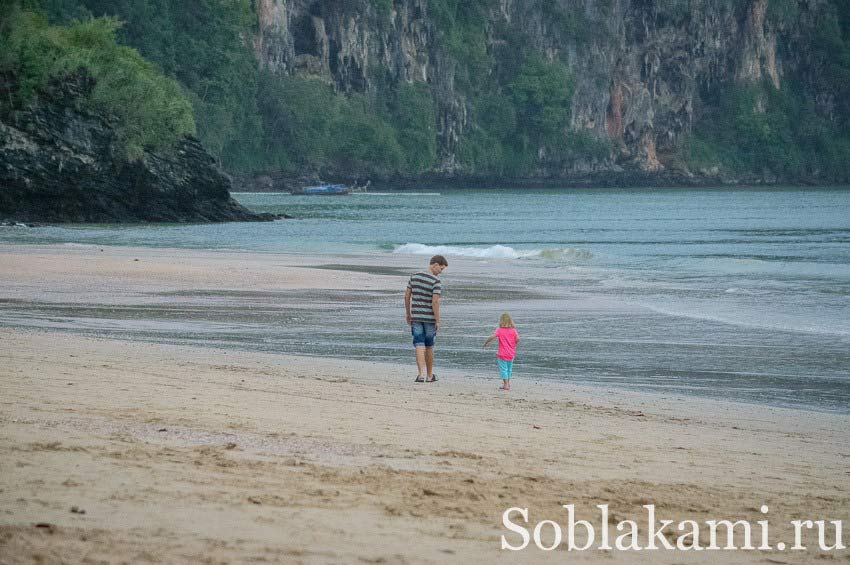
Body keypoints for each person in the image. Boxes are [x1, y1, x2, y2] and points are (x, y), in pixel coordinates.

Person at [405, 255, 448, 382]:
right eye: (441, 269)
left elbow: (407, 297)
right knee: (429, 346)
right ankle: (430, 376)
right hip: (429, 318)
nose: (441, 272)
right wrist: (437, 320)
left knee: (418, 344)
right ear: (434, 264)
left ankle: (420, 375)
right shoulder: (436, 281)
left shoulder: (414, 276)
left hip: (416, 316)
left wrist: (408, 314)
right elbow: (435, 302)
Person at [483, 313, 519, 391]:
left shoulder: (499, 330)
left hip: (502, 354)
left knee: (503, 369)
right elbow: (518, 338)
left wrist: (486, 343)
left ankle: (506, 385)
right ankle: (507, 384)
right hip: (511, 353)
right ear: (510, 321)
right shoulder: (513, 330)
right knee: (509, 369)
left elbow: (492, 336)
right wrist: (514, 343)